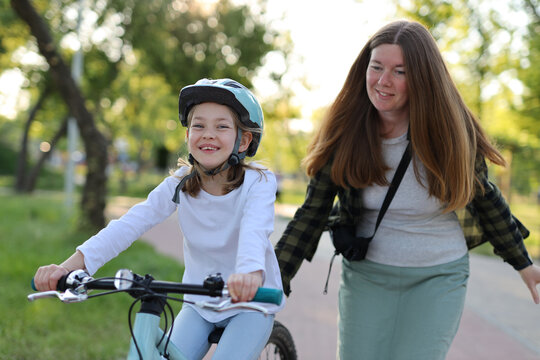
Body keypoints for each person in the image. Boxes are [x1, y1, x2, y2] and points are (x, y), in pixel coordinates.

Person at [275, 20, 540, 360]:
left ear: (422, 78)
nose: (384, 81)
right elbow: (312, 213)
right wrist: (276, 276)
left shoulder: (451, 133)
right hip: (367, 276)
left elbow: (486, 199)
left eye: (400, 71)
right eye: (377, 67)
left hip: (438, 276)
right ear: (364, 70)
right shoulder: (347, 134)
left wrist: (523, 262)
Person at [34, 78, 284, 360]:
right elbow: (131, 223)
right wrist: (68, 268)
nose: (208, 134)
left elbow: (255, 229)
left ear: (245, 139)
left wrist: (250, 274)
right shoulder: (180, 183)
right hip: (199, 303)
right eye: (198, 125)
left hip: (251, 302)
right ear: (188, 135)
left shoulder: (258, 181)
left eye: (222, 126)